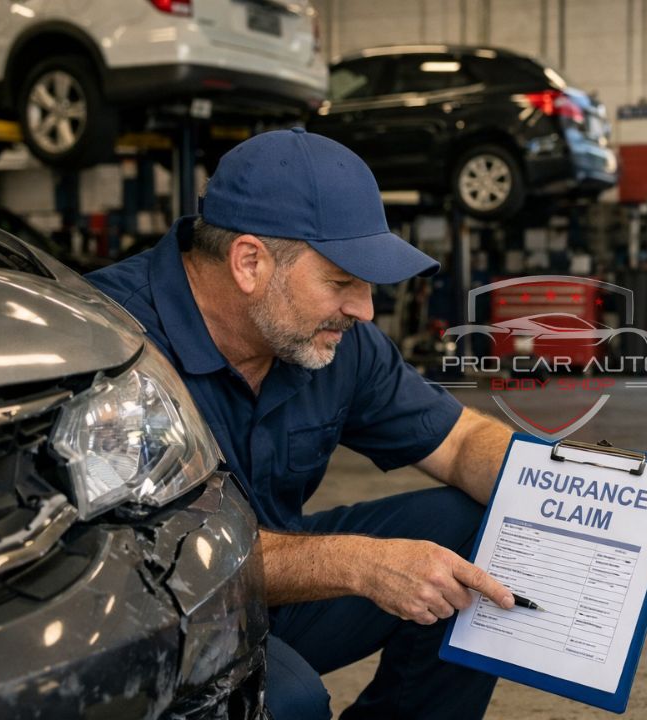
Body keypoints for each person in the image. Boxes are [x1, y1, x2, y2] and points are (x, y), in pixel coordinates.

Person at [88, 128, 517, 720]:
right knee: (287, 700)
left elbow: (463, 440)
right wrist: (360, 565)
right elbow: (152, 559)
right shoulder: (108, 343)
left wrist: (562, 490)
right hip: (148, 615)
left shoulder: (333, 340)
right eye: (342, 282)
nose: (364, 310)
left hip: (270, 589)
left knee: (479, 533)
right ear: (249, 262)